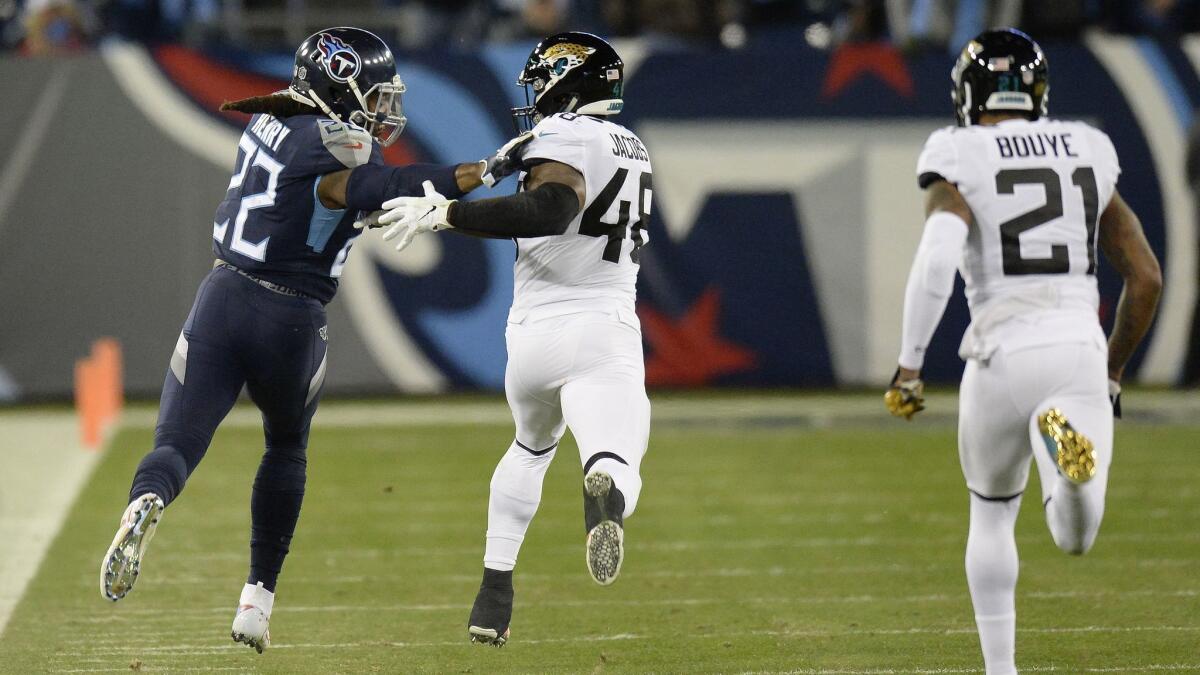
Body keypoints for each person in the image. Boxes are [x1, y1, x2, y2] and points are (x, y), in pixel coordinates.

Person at [98, 26, 529, 654]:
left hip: (221, 300)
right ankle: (257, 601)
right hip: (291, 322)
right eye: (376, 96)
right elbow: (367, 188)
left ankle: (146, 500)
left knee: (178, 442)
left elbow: (324, 193)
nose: (385, 112)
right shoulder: (342, 148)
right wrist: (482, 171)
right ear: (339, 84)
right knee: (285, 450)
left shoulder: (269, 119)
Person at [884, 29, 1161, 674]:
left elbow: (936, 259)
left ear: (969, 92)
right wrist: (1113, 370)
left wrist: (910, 365)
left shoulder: (957, 150)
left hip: (999, 354)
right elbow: (1145, 277)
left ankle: (1001, 671)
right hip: (1075, 345)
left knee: (991, 515)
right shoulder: (1088, 146)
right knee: (1074, 534)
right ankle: (1065, 465)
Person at [376, 31, 653, 647]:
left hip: (531, 337)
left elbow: (549, 207)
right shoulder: (630, 146)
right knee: (616, 454)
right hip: (602, 329)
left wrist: (447, 214)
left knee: (531, 447)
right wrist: (461, 192)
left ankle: (494, 592)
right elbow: (535, 189)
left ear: (569, 82)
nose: (534, 95)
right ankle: (604, 488)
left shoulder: (561, 137)